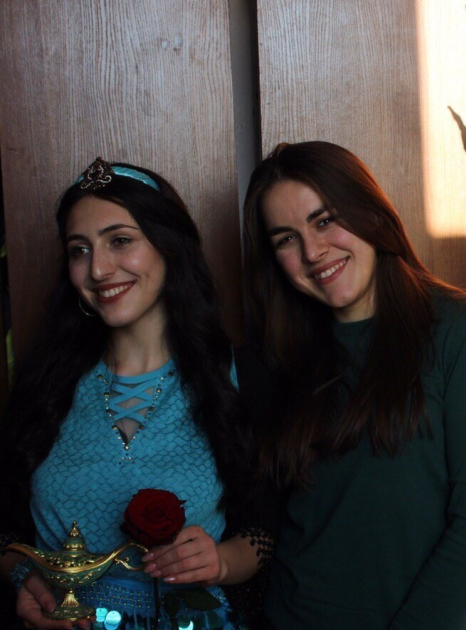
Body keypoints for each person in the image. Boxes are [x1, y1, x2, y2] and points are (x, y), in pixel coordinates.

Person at [241, 140, 466, 629]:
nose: (312, 251)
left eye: (324, 220)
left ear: (370, 212)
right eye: (286, 238)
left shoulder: (463, 332)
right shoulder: (281, 355)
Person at [0, 158, 271, 630]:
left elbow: (264, 530)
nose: (98, 268)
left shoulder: (236, 377)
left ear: (169, 246)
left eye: (120, 240)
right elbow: (3, 528)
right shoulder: (43, 383)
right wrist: (26, 577)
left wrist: (222, 560)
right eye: (79, 250)